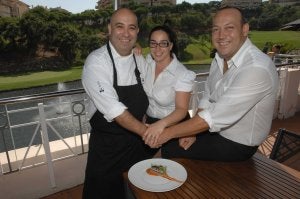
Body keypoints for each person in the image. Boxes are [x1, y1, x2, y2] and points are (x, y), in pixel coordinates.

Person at [145, 6, 279, 162]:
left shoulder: (256, 68)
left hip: (237, 143)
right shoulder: (219, 58)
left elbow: (213, 117)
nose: (221, 35)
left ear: (244, 29)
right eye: (216, 29)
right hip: (215, 130)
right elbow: (207, 96)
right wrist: (191, 132)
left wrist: (165, 133)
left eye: (229, 28)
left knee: (169, 147)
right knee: (177, 143)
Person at [81, 8, 155, 199]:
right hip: (107, 150)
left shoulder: (140, 60)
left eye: (131, 28)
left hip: (137, 147)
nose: (126, 33)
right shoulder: (96, 62)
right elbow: (115, 110)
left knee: (137, 193)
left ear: (138, 31)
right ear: (109, 29)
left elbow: (153, 95)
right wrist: (150, 133)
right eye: (119, 26)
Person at [141, 25, 196, 149]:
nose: (157, 48)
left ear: (170, 46)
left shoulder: (182, 74)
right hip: (150, 122)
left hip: (173, 124)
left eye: (163, 43)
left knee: (169, 164)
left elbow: (182, 109)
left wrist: (160, 125)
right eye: (153, 43)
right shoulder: (147, 62)